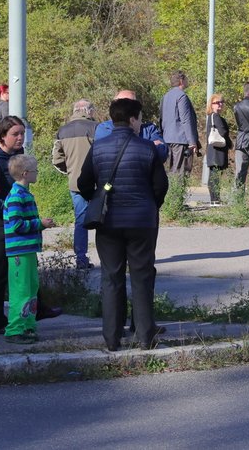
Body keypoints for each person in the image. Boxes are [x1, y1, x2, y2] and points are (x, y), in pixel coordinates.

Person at [78, 98, 168, 352]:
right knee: (142, 276)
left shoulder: (97, 148)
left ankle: (112, 338)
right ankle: (145, 337)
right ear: (132, 119)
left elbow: (83, 183)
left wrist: (99, 199)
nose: (140, 123)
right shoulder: (148, 148)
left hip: (108, 222)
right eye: (139, 118)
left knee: (111, 277)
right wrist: (151, 205)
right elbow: (161, 185)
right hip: (142, 221)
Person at [0, 115, 61, 334]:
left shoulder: (19, 156)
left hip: (14, 220)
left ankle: (36, 309)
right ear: (2, 136)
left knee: (26, 269)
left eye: (23, 133)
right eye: (15, 134)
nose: (20, 138)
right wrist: (11, 209)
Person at [2, 154, 56, 345]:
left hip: (27, 250)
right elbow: (16, 224)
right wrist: (39, 224)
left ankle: (28, 326)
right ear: (25, 173)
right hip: (19, 252)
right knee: (21, 291)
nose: (37, 174)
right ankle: (15, 329)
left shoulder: (24, 194)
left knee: (31, 288)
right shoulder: (17, 196)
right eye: (35, 171)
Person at [51, 99, 98, 270]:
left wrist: (70, 170)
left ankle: (81, 257)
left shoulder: (62, 130)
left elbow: (56, 160)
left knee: (80, 220)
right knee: (104, 219)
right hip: (97, 183)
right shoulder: (96, 128)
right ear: (88, 110)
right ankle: (110, 257)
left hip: (75, 184)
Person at [95, 90, 168, 162]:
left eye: (131, 104)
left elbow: (161, 154)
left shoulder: (149, 129)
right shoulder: (104, 128)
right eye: (121, 104)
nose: (126, 108)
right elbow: (106, 154)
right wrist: (149, 146)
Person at [160, 70, 199, 179]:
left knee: (171, 171)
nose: (187, 81)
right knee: (180, 173)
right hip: (180, 140)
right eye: (186, 79)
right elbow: (185, 119)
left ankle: (171, 195)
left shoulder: (166, 96)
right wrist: (192, 141)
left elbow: (161, 118)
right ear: (181, 81)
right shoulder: (182, 96)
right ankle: (176, 196)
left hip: (167, 139)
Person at [204, 93, 231, 205]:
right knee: (215, 176)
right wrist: (230, 142)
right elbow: (223, 131)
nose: (220, 104)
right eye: (217, 102)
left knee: (214, 174)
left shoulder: (211, 117)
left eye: (221, 102)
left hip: (213, 150)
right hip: (216, 150)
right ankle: (215, 200)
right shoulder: (215, 116)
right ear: (212, 105)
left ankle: (215, 199)